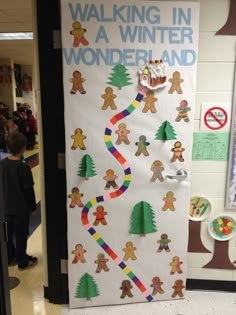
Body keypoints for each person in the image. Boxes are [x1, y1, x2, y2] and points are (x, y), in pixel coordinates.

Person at [0, 130, 38, 270]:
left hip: (6, 207)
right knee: (21, 235)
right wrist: (33, 207)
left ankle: (10, 257)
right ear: (23, 148)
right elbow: (29, 190)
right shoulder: (23, 168)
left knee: (8, 235)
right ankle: (22, 261)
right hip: (21, 209)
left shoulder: (2, 164)